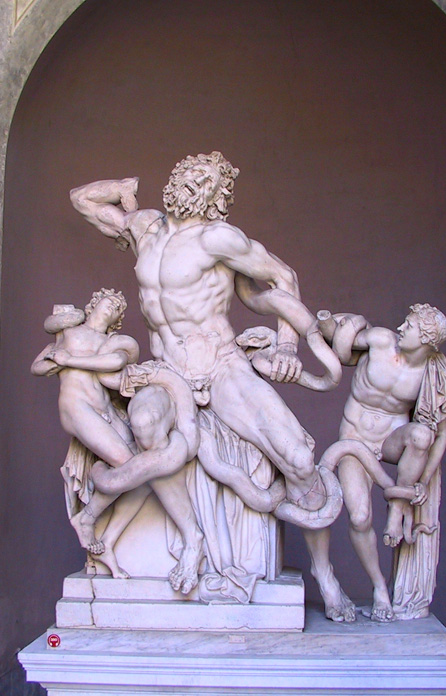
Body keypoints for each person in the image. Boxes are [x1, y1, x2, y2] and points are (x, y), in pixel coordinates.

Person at [70, 153, 353, 618]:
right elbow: (83, 200)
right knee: (144, 425)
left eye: (205, 179)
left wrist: (285, 348)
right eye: (187, 173)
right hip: (166, 369)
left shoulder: (219, 238)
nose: (190, 182)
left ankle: (325, 572)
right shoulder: (145, 228)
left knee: (299, 458)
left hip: (220, 364)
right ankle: (191, 539)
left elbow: (285, 277)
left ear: (218, 195)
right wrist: (122, 186)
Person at [31, 289, 205, 592]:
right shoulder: (68, 332)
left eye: (117, 308)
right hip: (77, 407)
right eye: (107, 302)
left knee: (143, 471)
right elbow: (39, 367)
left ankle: (108, 540)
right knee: (130, 465)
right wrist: (57, 359)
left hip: (106, 410)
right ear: (92, 304)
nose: (111, 308)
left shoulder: (115, 343)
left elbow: (114, 361)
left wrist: (71, 360)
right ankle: (87, 518)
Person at [314, 304, 446, 621]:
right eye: (404, 321)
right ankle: (379, 587)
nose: (401, 328)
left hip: (390, 442)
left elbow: (440, 435)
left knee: (421, 435)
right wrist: (329, 322)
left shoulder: (432, 374)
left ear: (427, 341)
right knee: (360, 517)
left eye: (411, 326)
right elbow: (340, 343)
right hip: (354, 439)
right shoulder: (379, 340)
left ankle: (399, 505)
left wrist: (422, 481)